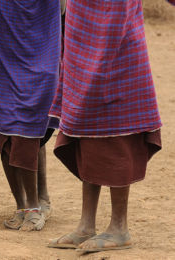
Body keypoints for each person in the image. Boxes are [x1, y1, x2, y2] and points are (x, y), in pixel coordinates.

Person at [47, 0, 163, 252]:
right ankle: (86, 225)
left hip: (114, 50)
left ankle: (119, 228)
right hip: (81, 48)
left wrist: (101, 61)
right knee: (86, 133)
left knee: (116, 134)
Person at [0, 0, 60, 231]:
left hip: (39, 59)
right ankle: (21, 206)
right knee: (2, 132)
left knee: (26, 133)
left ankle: (33, 206)